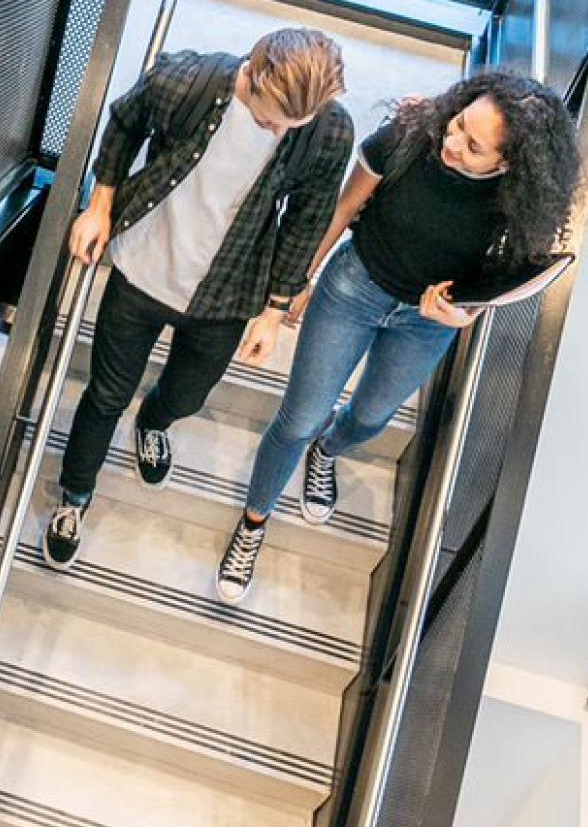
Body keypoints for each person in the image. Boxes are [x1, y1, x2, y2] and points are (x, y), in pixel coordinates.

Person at [216, 70, 580, 604]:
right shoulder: (409, 135)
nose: (451, 143)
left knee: (369, 418)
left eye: (472, 146)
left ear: (505, 165)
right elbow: (343, 209)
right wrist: (298, 283)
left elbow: (494, 287)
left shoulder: (518, 208)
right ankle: (253, 522)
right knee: (298, 418)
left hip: (423, 321)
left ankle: (329, 450)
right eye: (457, 124)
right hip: (354, 288)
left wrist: (461, 316)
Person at [43, 28, 355, 570]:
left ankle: (155, 422)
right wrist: (100, 204)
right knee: (104, 396)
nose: (278, 130)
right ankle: (74, 495)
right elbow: (124, 121)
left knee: (188, 394)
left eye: (291, 126)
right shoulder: (187, 78)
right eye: (267, 118)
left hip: (229, 290)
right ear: (252, 71)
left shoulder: (328, 132)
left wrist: (275, 309)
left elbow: (308, 218)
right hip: (143, 270)